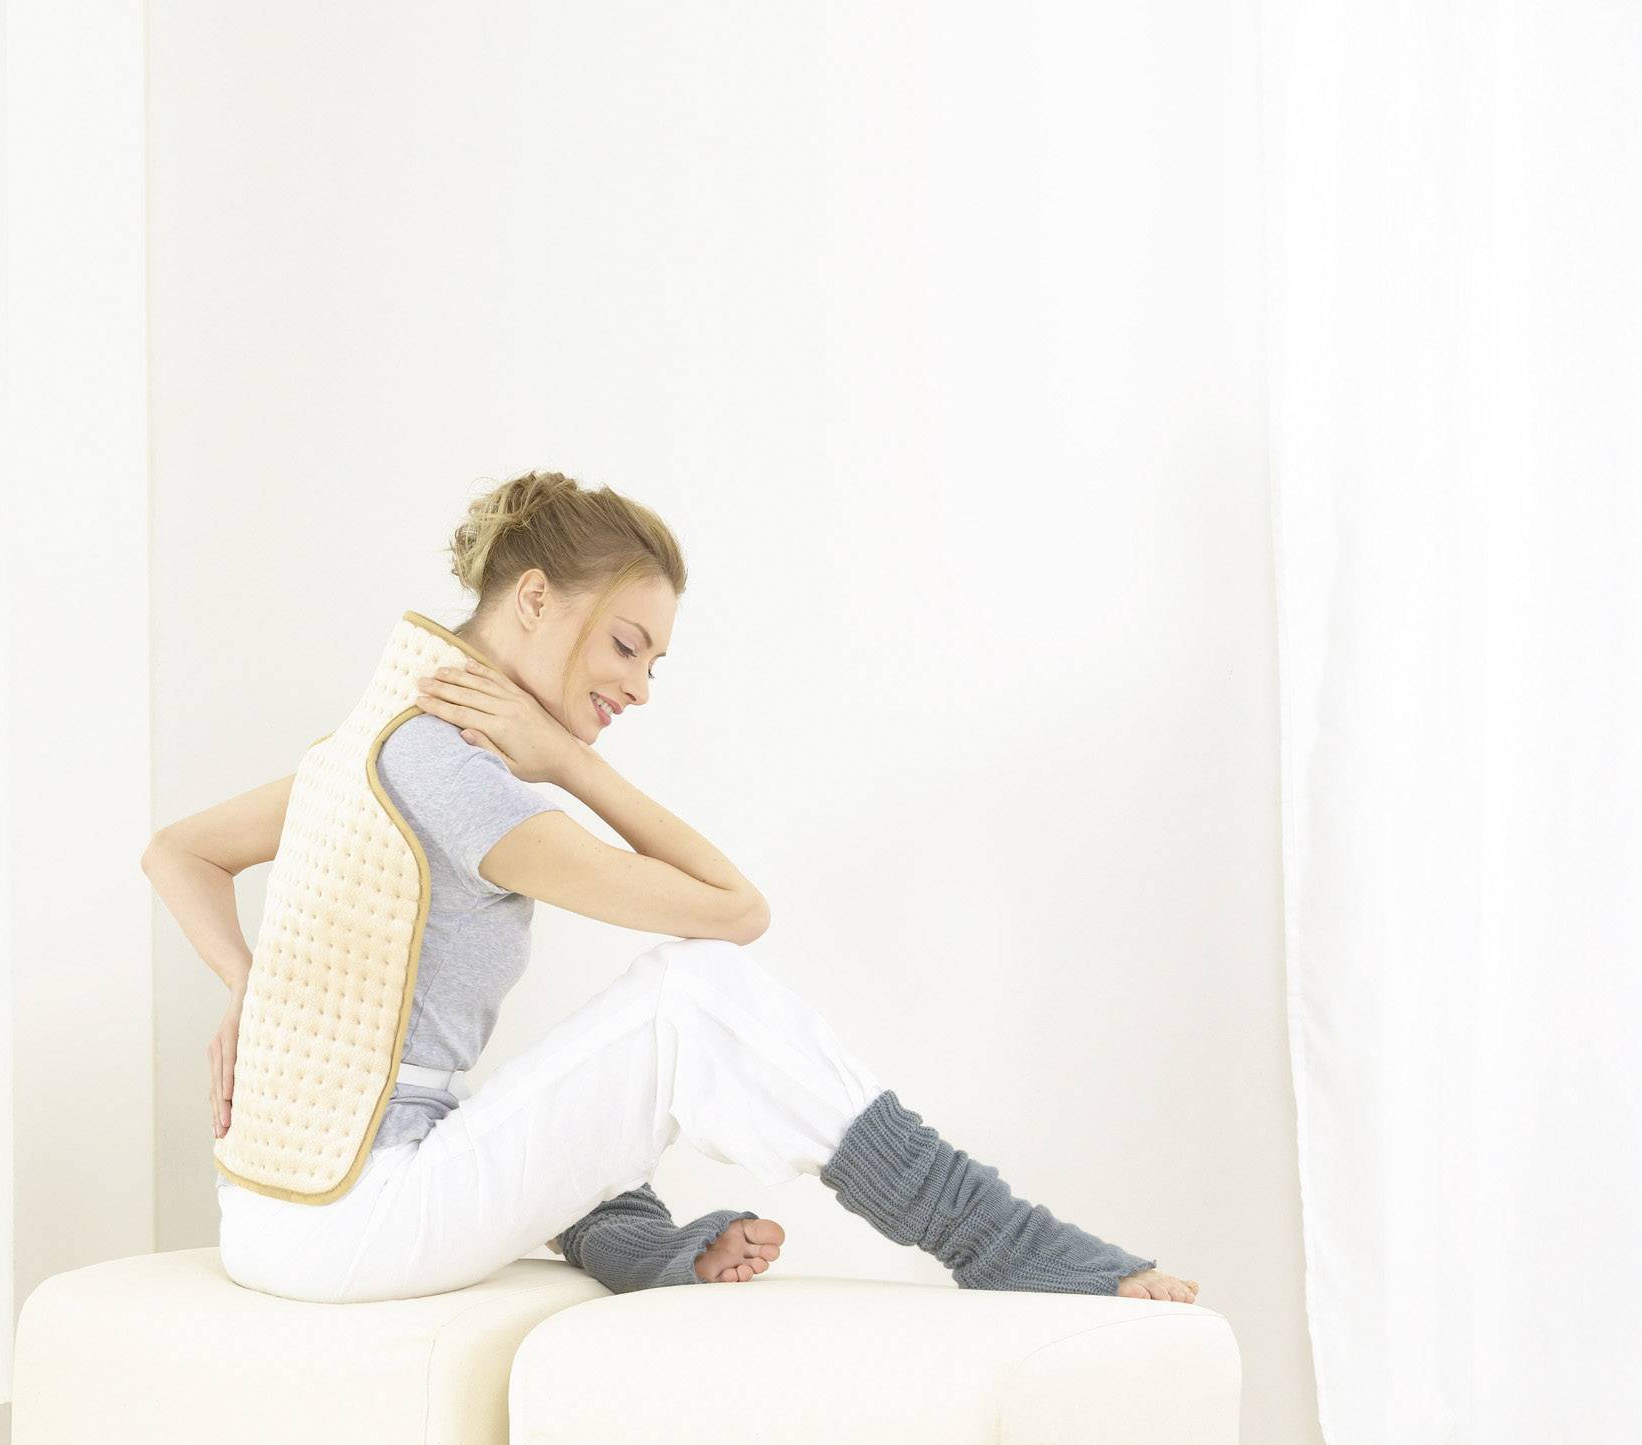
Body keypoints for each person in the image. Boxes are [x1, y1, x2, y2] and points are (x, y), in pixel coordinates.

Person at [141, 469, 1200, 1308]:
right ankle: (998, 1239)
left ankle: (629, 1238)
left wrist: (253, 990)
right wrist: (571, 765)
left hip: (279, 1216)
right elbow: (735, 912)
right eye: (626, 644)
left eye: (655, 663)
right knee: (694, 999)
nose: (639, 686)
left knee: (604, 1066)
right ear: (534, 598)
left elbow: (175, 852)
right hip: (350, 1222)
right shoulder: (454, 771)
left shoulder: (381, 744)